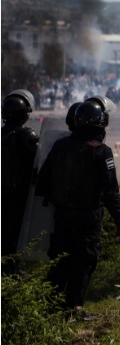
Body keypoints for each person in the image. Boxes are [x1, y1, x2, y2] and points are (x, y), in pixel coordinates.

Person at [34, 96, 120, 319]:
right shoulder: (102, 152)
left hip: (62, 215)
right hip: (88, 217)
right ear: (100, 124)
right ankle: (74, 308)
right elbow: (111, 192)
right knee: (84, 261)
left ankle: (50, 306)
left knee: (61, 260)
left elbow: (43, 181)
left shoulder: (60, 146)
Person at [1, 90, 39, 270]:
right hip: (20, 194)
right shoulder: (27, 136)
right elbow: (39, 161)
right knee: (15, 235)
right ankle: (11, 270)